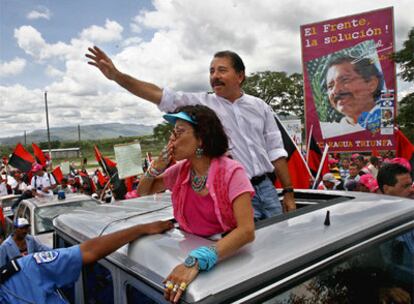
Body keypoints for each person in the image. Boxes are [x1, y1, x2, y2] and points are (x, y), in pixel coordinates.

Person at [86, 46, 296, 219]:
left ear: (240, 76)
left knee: (280, 243)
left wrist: (288, 192)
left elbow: (276, 151)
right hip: (235, 193)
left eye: (222, 70)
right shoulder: (202, 104)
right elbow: (159, 95)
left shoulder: (260, 107)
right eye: (211, 71)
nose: (215, 76)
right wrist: (116, 76)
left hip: (268, 188)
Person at [137, 105, 255, 303]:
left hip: (227, 257)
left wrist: (196, 261)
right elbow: (143, 190)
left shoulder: (232, 172)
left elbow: (246, 231)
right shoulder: (180, 171)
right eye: (173, 132)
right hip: (188, 250)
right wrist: (155, 167)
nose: (172, 139)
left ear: (201, 138)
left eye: (180, 132)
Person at [0, 220, 173, 303]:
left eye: (26, 228)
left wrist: (142, 228)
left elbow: (88, 251)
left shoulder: (26, 269)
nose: (24, 231)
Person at [320, 56, 384, 138]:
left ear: (372, 84)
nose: (335, 90)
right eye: (330, 86)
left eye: (345, 80)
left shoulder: (388, 125)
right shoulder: (330, 134)